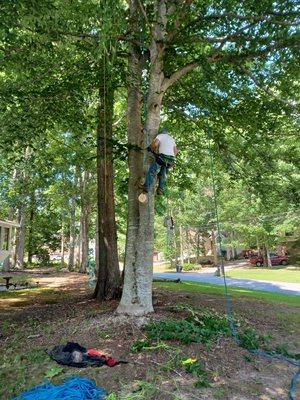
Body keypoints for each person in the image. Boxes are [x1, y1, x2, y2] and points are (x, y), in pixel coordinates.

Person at [142, 129, 177, 195]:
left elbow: (155, 144)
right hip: (171, 160)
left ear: (162, 133)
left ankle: (146, 187)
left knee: (152, 171)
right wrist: (171, 157)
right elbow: (176, 151)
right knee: (163, 174)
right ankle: (160, 188)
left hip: (163, 157)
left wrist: (151, 148)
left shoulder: (160, 135)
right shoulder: (172, 139)